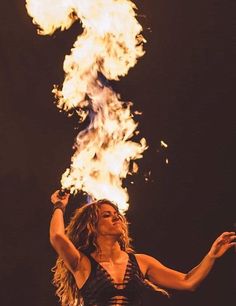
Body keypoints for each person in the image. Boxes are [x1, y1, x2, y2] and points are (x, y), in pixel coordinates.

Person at [50, 190, 235, 306]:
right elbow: (57, 236)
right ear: (93, 226)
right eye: (107, 215)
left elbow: (188, 282)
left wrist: (211, 256)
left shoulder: (141, 262)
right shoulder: (83, 263)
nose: (116, 218)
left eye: (116, 214)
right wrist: (59, 205)